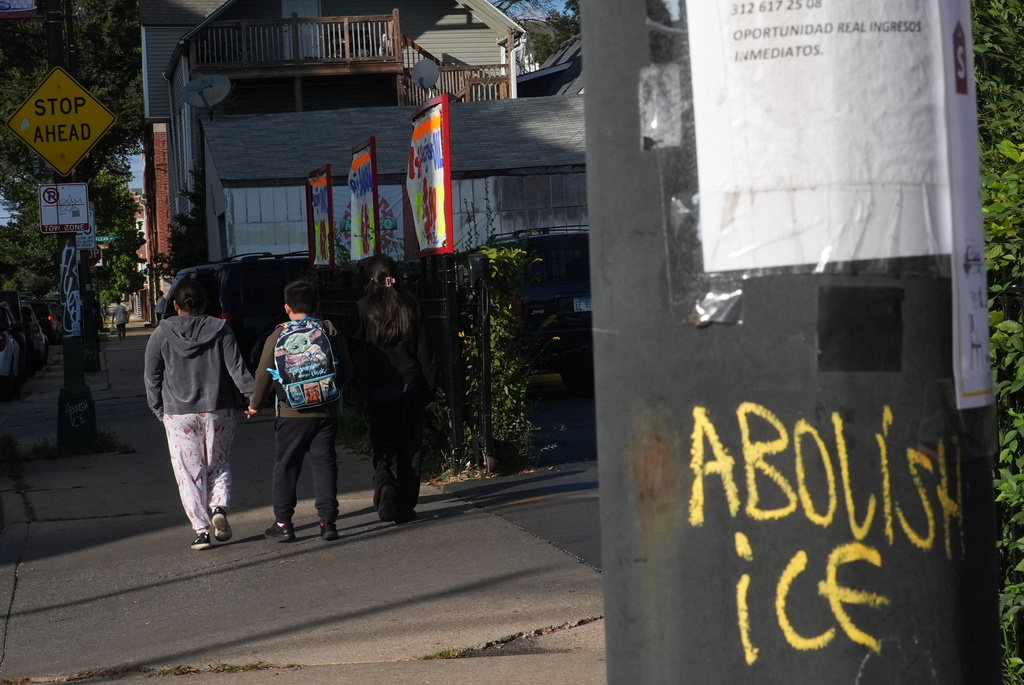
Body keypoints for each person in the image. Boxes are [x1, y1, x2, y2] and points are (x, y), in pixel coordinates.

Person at [144, 279, 255, 551]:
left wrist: (157, 408)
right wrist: (254, 398)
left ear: (175, 305)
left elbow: (151, 376)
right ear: (205, 304)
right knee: (219, 463)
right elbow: (237, 368)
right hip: (218, 409)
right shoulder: (220, 330)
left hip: (178, 414)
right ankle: (218, 506)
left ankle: (202, 531)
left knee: (188, 472)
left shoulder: (161, 334)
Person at [246, 279, 353, 542]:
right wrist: (332, 390)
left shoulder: (278, 334)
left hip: (290, 412)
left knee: (286, 466)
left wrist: (254, 404)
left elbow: (263, 374)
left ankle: (283, 524)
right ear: (317, 306)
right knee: (325, 465)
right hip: (324, 412)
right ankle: (327, 523)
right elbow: (347, 368)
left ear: (287, 307)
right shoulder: (327, 329)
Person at [353, 255, 437, 524]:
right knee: (410, 448)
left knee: (382, 444)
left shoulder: (363, 307)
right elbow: (426, 352)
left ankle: (385, 481)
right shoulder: (412, 304)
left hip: (377, 388)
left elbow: (357, 351)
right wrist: (430, 390)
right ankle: (405, 505)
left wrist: (361, 386)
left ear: (370, 279)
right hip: (409, 385)